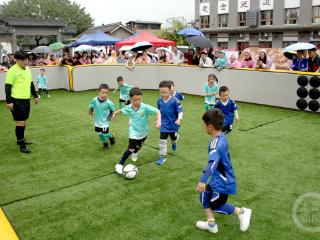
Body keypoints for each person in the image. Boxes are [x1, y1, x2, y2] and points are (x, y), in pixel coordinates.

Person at [195, 109, 252, 235]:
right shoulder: (221, 136)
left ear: (210, 126)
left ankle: (242, 212)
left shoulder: (216, 143)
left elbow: (213, 163)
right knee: (204, 195)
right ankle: (211, 224)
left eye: (204, 125)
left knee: (214, 205)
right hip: (217, 179)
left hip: (223, 182)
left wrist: (203, 180)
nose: (203, 127)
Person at [112, 87, 161, 174]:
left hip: (144, 132)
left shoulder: (145, 107)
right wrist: (115, 113)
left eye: (139, 99)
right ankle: (119, 164)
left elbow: (157, 111)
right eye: (135, 100)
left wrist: (158, 120)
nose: (137, 102)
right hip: (133, 132)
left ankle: (135, 152)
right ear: (130, 99)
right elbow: (122, 110)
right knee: (130, 148)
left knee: (138, 147)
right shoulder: (129, 107)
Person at [5, 50, 39, 153]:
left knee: (24, 121)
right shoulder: (12, 70)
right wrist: (9, 102)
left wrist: (35, 96)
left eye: (26, 59)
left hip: (26, 100)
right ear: (16, 60)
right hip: (16, 101)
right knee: (20, 122)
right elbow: (7, 87)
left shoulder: (28, 69)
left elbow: (31, 83)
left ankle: (21, 139)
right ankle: (21, 144)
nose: (26, 62)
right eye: (23, 60)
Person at [156, 81, 183, 165]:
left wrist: (179, 119)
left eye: (165, 92)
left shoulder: (175, 100)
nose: (163, 94)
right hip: (164, 124)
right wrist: (157, 120)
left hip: (173, 124)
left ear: (170, 90)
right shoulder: (159, 101)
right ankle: (162, 157)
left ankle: (174, 142)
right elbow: (158, 111)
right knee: (162, 140)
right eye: (161, 92)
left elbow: (180, 111)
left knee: (173, 138)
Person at [89, 84, 115, 150]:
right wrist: (91, 112)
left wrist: (110, 116)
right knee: (100, 134)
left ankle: (111, 136)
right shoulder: (94, 100)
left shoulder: (109, 103)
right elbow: (91, 105)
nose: (104, 95)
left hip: (105, 121)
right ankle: (105, 144)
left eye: (106, 93)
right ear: (99, 92)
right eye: (102, 93)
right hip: (97, 121)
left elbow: (112, 110)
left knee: (105, 134)